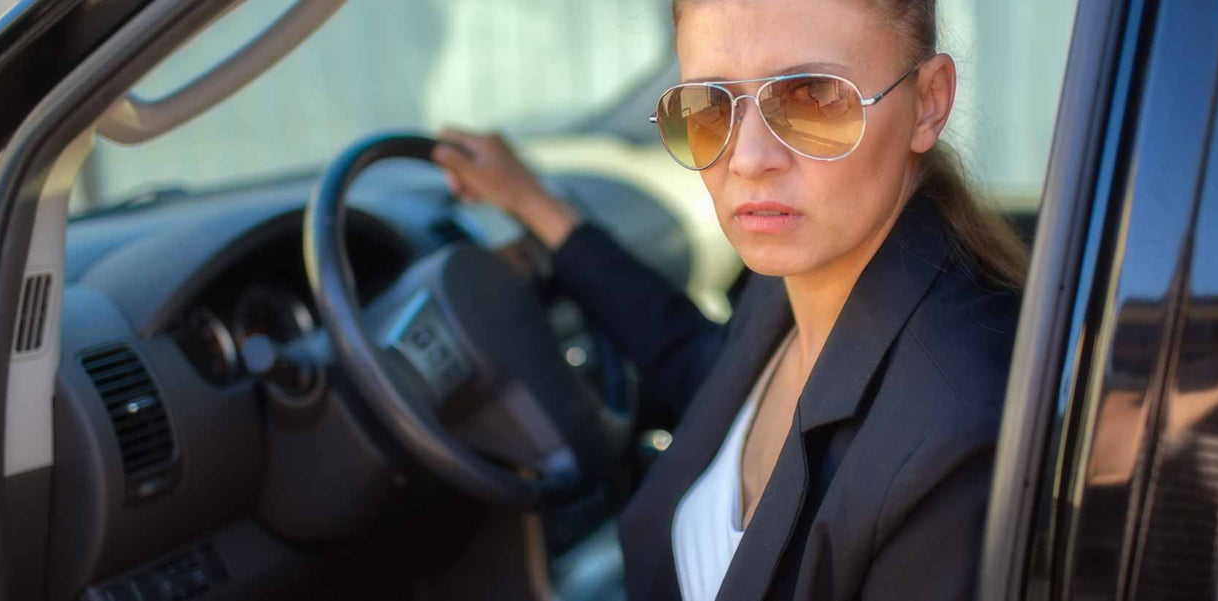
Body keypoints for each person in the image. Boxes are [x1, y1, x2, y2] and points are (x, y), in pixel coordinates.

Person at [432, 1, 1027, 599]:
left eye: (813, 98)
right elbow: (701, 368)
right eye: (709, 106)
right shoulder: (795, 284)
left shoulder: (959, 433)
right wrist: (537, 207)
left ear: (929, 101)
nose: (747, 159)